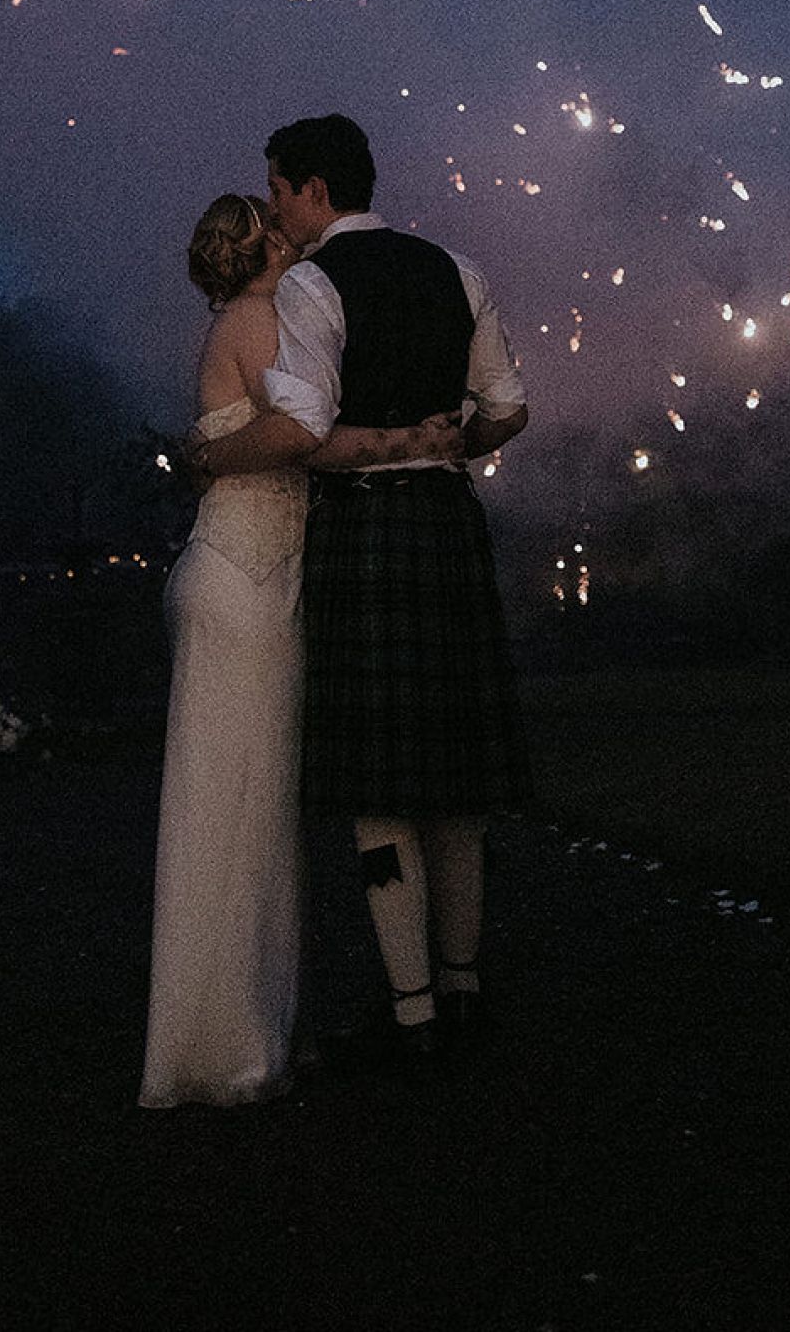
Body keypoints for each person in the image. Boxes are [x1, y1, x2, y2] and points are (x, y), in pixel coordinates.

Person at [189, 115, 531, 1078]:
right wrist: (451, 442)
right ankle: (463, 988)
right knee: (459, 780)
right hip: (448, 529)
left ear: (313, 189)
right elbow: (509, 407)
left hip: (370, 528)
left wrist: (206, 455)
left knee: (380, 784)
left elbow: (299, 427)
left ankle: (413, 1011)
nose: (276, 209)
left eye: (278, 189)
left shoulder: (308, 282)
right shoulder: (458, 268)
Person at [138, 193, 455, 1110]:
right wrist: (409, 440)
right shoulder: (257, 318)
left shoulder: (255, 318)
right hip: (245, 585)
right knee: (238, 813)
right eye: (276, 223)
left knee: (248, 811)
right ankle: (228, 1044)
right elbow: (302, 436)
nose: (292, 228)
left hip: (253, 573)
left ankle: (245, 1028)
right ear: (265, 245)